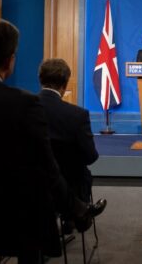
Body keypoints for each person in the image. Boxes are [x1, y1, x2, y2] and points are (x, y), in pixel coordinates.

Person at [0, 18, 106, 263]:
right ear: (9, 61)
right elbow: (47, 170)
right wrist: (76, 208)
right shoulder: (23, 105)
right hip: (13, 223)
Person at [38, 58, 105, 231]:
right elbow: (91, 157)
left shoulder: (23, 108)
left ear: (40, 79)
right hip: (70, 183)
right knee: (79, 174)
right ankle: (75, 216)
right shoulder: (77, 115)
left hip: (30, 184)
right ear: (65, 83)